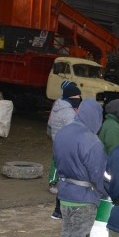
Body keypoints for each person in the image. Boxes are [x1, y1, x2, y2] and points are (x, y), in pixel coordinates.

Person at [54, 99, 109, 237]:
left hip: (65, 192)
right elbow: (98, 175)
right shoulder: (92, 141)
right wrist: (107, 192)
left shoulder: (63, 133)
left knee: (67, 234)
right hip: (83, 197)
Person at [47, 81, 82, 219]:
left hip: (58, 142)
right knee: (68, 178)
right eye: (78, 96)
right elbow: (73, 131)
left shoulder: (58, 106)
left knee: (60, 170)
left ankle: (58, 211)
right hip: (67, 146)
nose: (79, 99)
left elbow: (50, 125)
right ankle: (59, 210)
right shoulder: (68, 112)